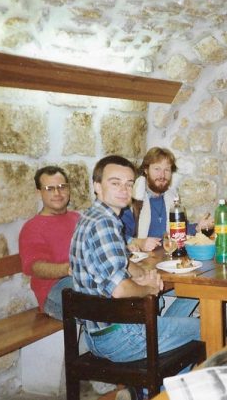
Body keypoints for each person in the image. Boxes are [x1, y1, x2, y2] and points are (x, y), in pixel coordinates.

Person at [70, 155, 201, 364]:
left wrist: (145, 276)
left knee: (190, 297)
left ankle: (152, 391)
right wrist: (149, 287)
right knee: (204, 327)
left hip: (100, 332)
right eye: (115, 183)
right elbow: (120, 289)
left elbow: (120, 262)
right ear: (97, 186)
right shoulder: (104, 224)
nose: (124, 189)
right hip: (120, 336)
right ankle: (160, 392)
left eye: (129, 184)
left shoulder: (91, 216)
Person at [121, 147, 211, 317]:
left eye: (167, 170)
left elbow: (178, 230)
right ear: (146, 170)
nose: (162, 175)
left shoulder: (171, 198)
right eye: (157, 169)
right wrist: (139, 242)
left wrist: (197, 228)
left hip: (166, 264)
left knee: (201, 286)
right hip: (141, 270)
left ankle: (165, 330)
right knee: (194, 290)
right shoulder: (132, 202)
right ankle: (165, 331)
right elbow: (117, 235)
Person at [19, 166, 79, 320]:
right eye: (50, 189)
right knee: (103, 303)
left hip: (83, 281)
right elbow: (35, 267)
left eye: (61, 187)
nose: (57, 193)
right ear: (39, 193)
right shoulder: (32, 228)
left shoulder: (77, 218)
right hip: (54, 289)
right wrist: (69, 269)